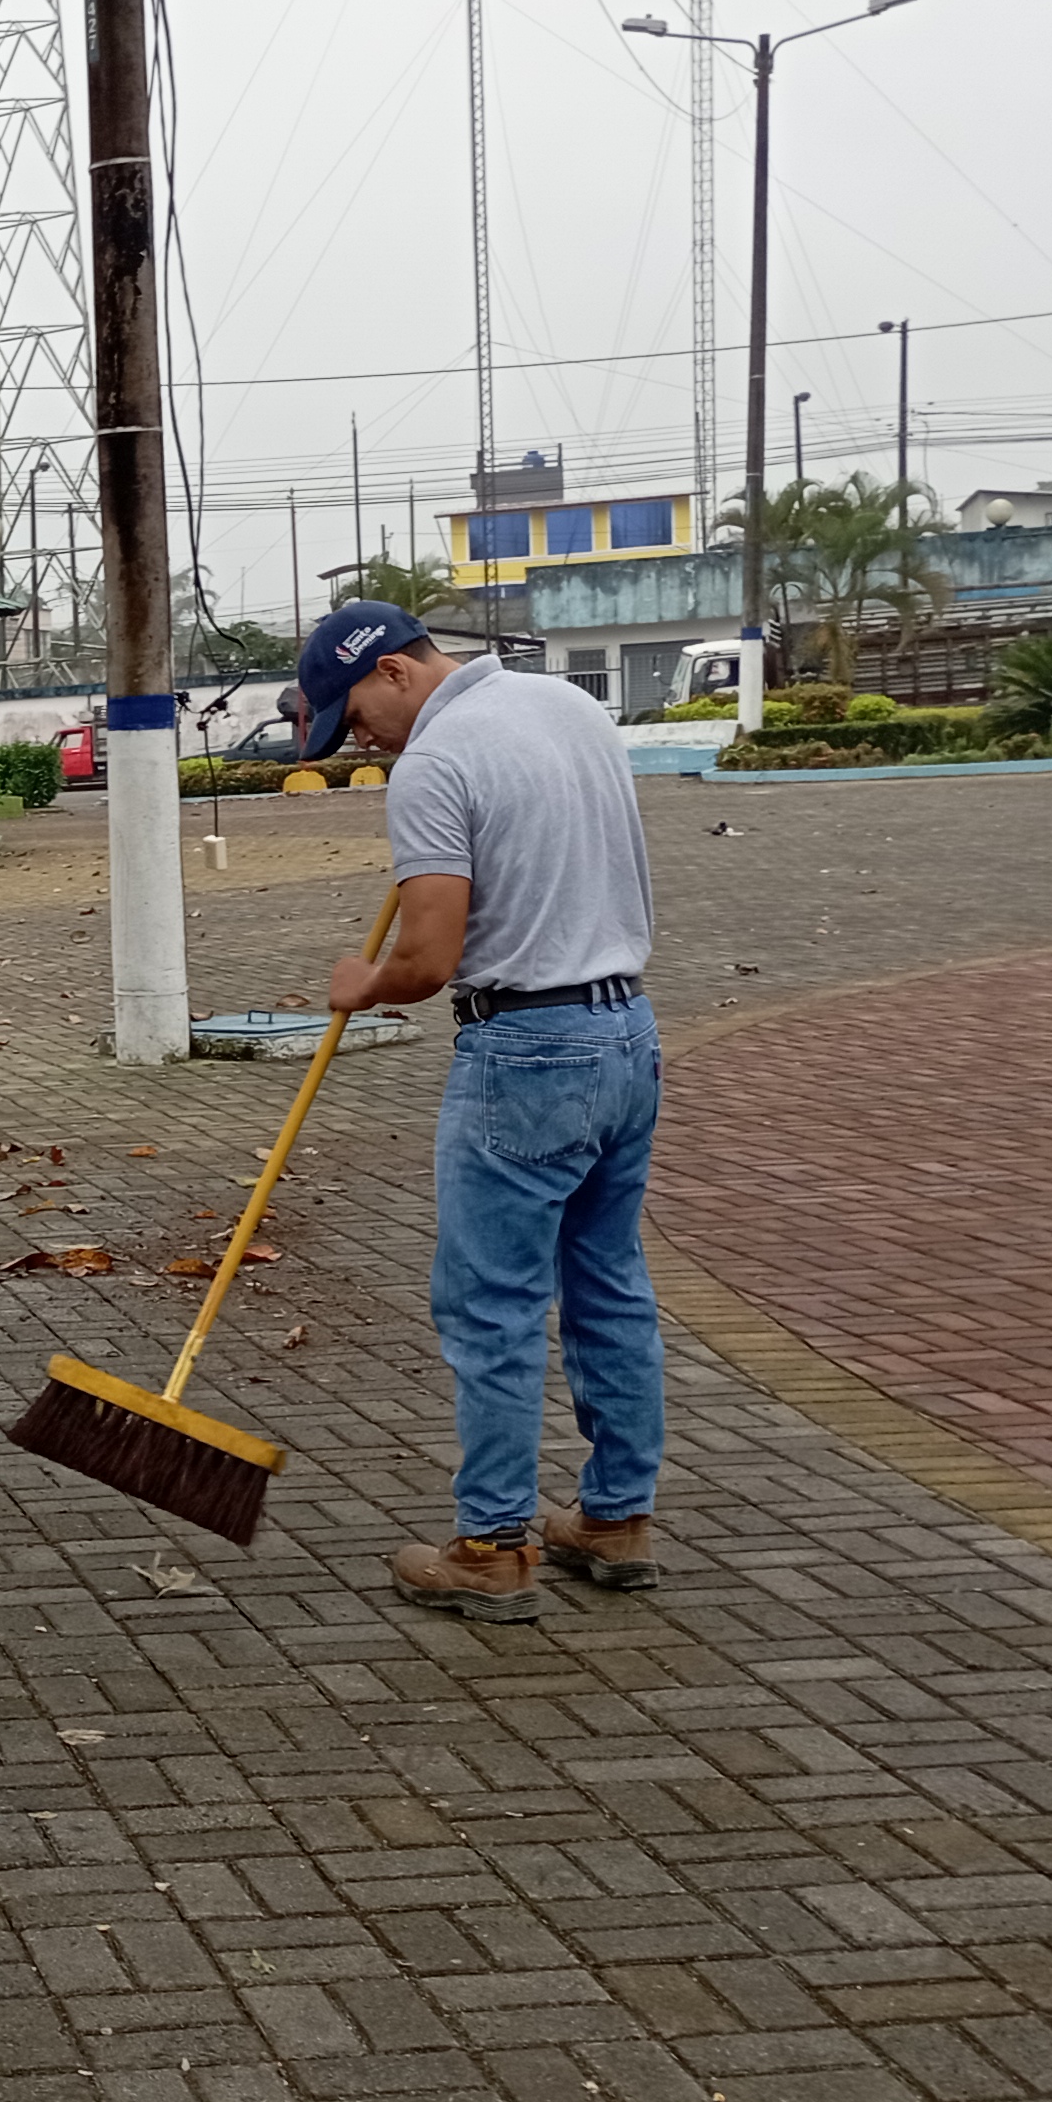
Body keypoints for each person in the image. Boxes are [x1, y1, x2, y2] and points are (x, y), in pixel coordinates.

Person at [296, 601, 663, 1624]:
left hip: (527, 1050)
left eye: (353, 717)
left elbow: (428, 959)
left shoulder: (433, 762)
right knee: (609, 1287)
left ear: (394, 672)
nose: (358, 742)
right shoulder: (571, 708)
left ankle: (492, 1546)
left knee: (491, 1307)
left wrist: (364, 983)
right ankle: (616, 1518)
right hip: (626, 1031)